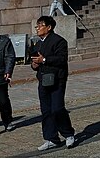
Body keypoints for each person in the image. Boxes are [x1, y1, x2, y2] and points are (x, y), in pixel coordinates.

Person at [30, 16, 76, 151]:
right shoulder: (38, 43)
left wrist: (43, 59)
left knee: (57, 108)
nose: (38, 28)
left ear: (49, 27)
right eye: (37, 26)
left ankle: (68, 134)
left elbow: (61, 59)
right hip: (43, 80)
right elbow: (34, 62)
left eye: (40, 25)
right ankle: (51, 138)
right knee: (46, 111)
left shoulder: (59, 41)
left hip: (57, 80)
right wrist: (34, 64)